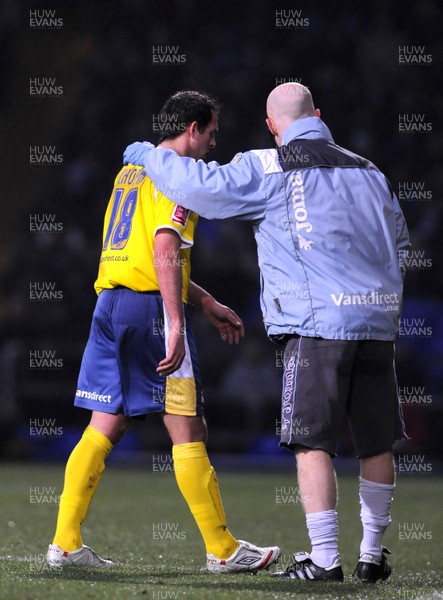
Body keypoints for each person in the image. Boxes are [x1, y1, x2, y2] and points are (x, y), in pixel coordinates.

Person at [123, 82, 410, 583]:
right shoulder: (371, 171)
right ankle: (372, 554)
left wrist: (147, 154)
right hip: (376, 322)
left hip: (318, 325)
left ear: (272, 125)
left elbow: (199, 187)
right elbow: (402, 242)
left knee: (312, 443)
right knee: (376, 442)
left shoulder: (270, 165)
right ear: (318, 114)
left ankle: (325, 559)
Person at [46, 90, 281, 574]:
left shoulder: (130, 171)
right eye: (211, 133)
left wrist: (206, 301)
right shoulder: (178, 176)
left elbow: (146, 254)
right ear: (192, 128)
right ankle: (221, 549)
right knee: (188, 426)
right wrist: (175, 323)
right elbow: (165, 246)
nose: (214, 145)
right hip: (150, 312)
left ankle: (65, 543)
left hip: (110, 303)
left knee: (103, 426)